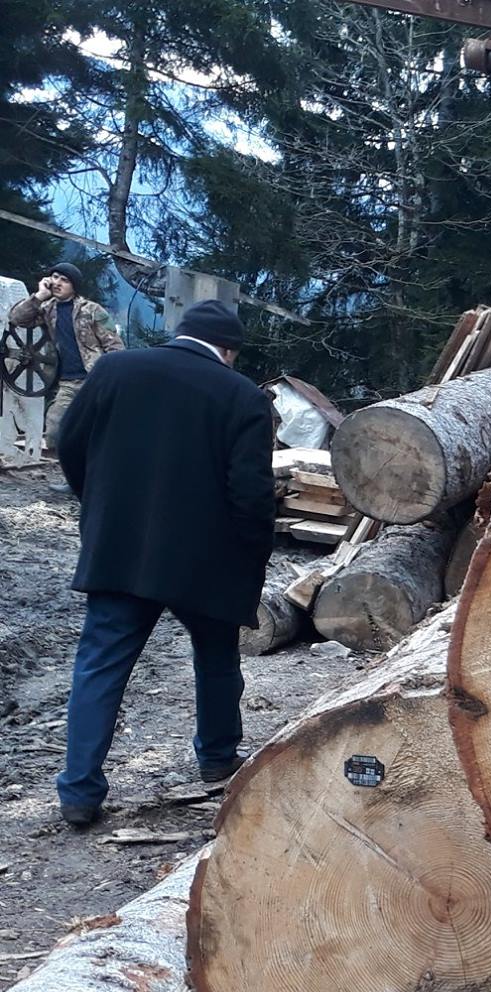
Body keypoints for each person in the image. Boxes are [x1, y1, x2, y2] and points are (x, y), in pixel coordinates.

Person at [53, 298, 274, 828]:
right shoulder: (242, 395)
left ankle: (79, 791)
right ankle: (217, 758)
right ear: (228, 351)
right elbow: (250, 492)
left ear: (181, 333)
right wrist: (252, 555)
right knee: (217, 658)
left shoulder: (114, 368)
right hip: (207, 559)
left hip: (121, 549)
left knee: (101, 664)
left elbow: (69, 444)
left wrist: (99, 508)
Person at [7, 261, 122, 450]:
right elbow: (17, 318)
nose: (58, 283)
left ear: (74, 286)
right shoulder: (47, 309)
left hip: (95, 380)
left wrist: (110, 379)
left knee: (101, 429)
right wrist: (40, 296)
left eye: (64, 280)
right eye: (55, 277)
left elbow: (115, 347)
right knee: (54, 431)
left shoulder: (92, 310)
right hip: (68, 383)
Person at [0, 273, 45, 466]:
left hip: (23, 362)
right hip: (13, 359)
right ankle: (7, 450)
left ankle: (30, 454)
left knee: (28, 405)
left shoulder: (9, 287)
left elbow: (19, 325)